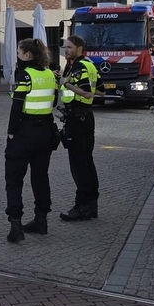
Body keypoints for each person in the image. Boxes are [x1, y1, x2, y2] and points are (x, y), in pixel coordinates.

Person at [4, 38, 58, 243]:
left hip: (24, 132)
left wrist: (11, 132)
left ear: (27, 55)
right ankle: (41, 220)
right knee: (40, 177)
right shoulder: (49, 75)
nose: (17, 56)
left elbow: (16, 106)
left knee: (14, 179)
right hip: (45, 132)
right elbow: (54, 101)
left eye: (18, 53)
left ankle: (15, 226)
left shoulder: (24, 76)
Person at [59, 35, 101, 222]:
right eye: (65, 47)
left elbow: (87, 91)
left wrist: (66, 83)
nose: (65, 50)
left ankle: (82, 206)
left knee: (78, 164)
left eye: (69, 47)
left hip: (78, 118)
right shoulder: (90, 65)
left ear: (79, 48)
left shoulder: (79, 67)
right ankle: (91, 205)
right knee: (86, 162)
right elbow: (102, 90)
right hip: (85, 116)